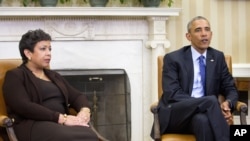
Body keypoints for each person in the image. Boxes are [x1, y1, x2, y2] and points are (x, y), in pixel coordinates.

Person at [3, 29, 101, 141]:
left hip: (59, 125)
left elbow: (77, 96)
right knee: (70, 137)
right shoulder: (15, 75)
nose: (48, 53)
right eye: (43, 49)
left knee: (90, 135)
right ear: (28, 53)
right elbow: (23, 106)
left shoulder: (53, 76)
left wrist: (84, 111)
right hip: (32, 124)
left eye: (49, 49)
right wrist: (62, 118)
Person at [156, 16, 238, 141]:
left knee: (202, 121)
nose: (204, 34)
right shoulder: (173, 59)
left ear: (211, 34)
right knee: (211, 101)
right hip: (177, 114)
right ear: (188, 36)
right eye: (198, 30)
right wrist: (205, 104)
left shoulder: (217, 57)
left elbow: (230, 87)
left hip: (205, 115)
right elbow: (172, 94)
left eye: (207, 30)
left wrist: (228, 104)